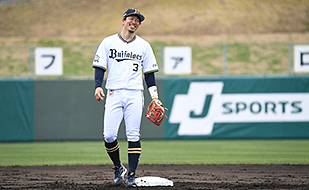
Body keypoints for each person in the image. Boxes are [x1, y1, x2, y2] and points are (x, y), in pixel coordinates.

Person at [92, 8, 160, 187]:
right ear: (123, 20)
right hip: (113, 93)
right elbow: (100, 67)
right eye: (131, 18)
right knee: (108, 135)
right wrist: (98, 86)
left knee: (133, 135)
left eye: (138, 20)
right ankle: (118, 167)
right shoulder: (108, 42)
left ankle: (131, 174)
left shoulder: (144, 46)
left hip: (134, 94)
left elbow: (150, 75)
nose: (134, 22)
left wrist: (155, 97)